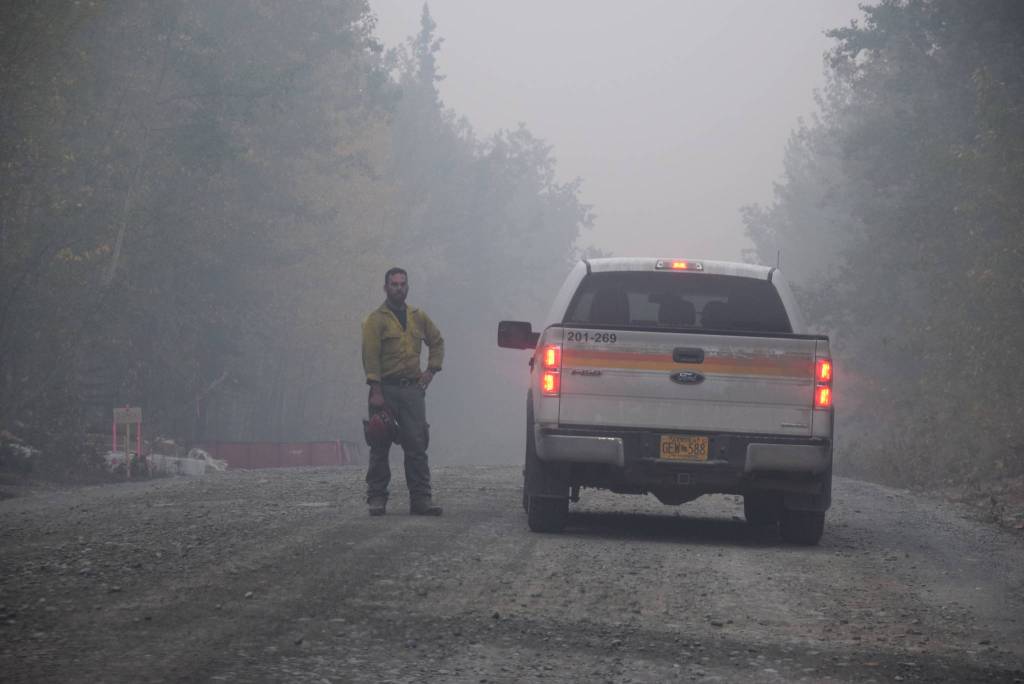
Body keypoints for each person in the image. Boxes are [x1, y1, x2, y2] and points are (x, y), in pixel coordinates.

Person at [361, 267, 444, 517]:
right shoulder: (375, 320)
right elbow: (370, 355)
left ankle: (421, 499)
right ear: (385, 287)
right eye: (394, 284)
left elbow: (437, 341)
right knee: (379, 444)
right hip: (384, 389)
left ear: (407, 287)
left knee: (417, 445)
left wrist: (430, 371)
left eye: (402, 284)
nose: (399, 288)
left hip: (411, 391)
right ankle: (377, 498)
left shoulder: (418, 317)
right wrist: (375, 389)